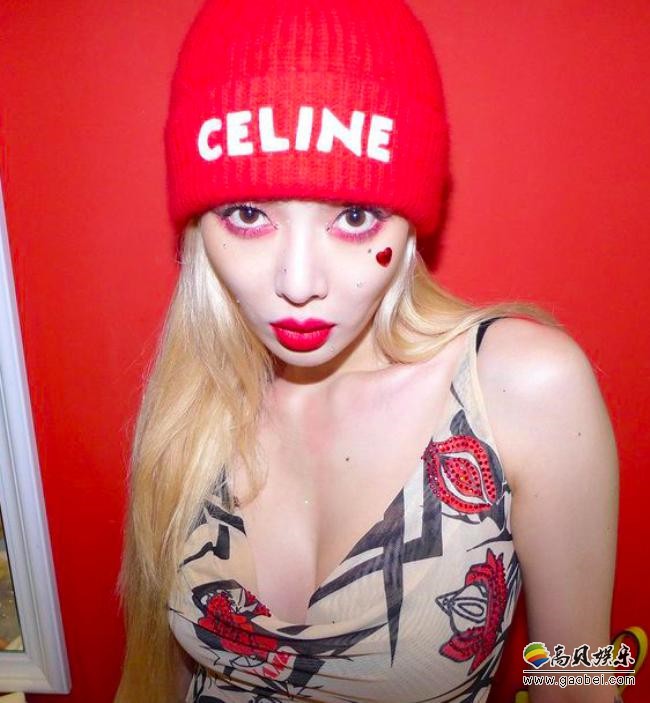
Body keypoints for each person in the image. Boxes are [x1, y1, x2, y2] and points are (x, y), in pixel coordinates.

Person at [114, 1, 619, 702]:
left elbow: (581, 678)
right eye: (248, 214)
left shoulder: (523, 389)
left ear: (410, 222)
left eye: (354, 216)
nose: (298, 283)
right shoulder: (190, 406)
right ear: (200, 226)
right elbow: (151, 681)